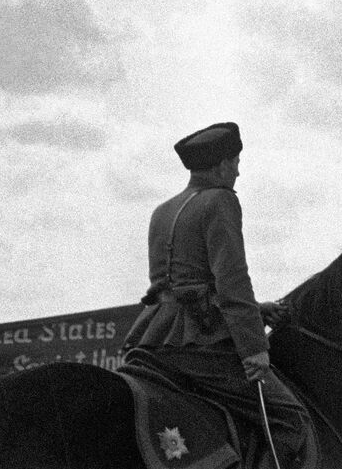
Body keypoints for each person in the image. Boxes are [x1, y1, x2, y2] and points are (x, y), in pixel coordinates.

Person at [121, 123, 309, 469]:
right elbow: (232, 281)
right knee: (289, 419)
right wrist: (255, 350)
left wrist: (259, 310)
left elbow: (179, 287)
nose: (238, 170)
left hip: (152, 339)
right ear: (221, 164)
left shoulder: (161, 210)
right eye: (236, 161)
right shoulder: (221, 200)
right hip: (199, 345)